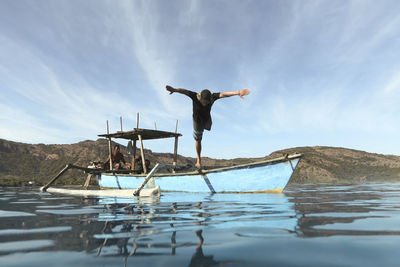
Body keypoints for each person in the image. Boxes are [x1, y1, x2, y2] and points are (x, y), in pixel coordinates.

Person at [166, 85, 250, 169]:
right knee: (198, 139)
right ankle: (199, 159)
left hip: (206, 119)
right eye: (203, 102)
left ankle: (204, 129)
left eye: (206, 102)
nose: (205, 104)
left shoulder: (212, 97)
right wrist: (174, 90)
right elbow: (184, 91)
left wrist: (237, 92)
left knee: (206, 129)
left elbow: (224, 94)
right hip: (197, 120)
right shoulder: (195, 96)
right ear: (200, 98)